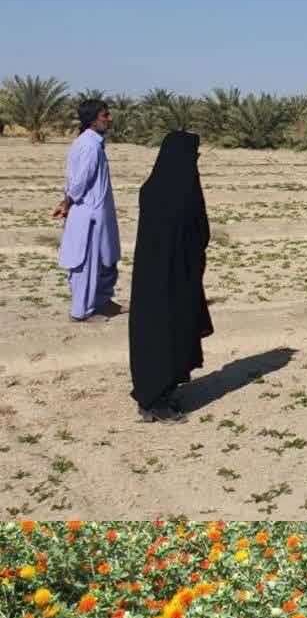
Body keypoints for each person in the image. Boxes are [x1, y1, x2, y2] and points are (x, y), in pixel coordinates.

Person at [127, 131, 213, 424]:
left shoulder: (151, 189)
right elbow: (200, 231)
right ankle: (158, 401)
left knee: (153, 336)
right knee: (169, 333)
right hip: (177, 277)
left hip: (149, 279)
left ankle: (153, 393)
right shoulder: (184, 192)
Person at [54, 99, 121, 322]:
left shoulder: (93, 143)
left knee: (105, 259)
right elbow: (79, 181)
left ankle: (101, 302)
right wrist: (67, 201)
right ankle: (82, 311)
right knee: (86, 262)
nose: (109, 119)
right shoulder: (89, 146)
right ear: (92, 120)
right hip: (89, 213)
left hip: (97, 212)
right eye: (105, 116)